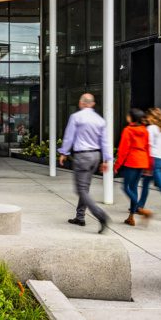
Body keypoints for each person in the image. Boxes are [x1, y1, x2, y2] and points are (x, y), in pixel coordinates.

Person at [57, 93, 111, 233]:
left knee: (80, 189)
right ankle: (80, 217)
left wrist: (64, 152)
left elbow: (69, 137)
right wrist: (106, 160)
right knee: (85, 188)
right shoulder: (100, 120)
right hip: (95, 156)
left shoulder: (76, 117)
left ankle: (101, 215)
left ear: (81, 103)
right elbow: (105, 141)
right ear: (92, 104)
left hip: (83, 156)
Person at [114, 108, 153, 226]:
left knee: (126, 188)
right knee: (134, 187)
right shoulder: (145, 130)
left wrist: (117, 165)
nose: (127, 117)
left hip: (131, 161)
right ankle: (131, 218)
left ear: (132, 118)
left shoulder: (128, 130)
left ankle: (140, 209)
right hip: (142, 161)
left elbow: (123, 150)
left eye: (128, 115)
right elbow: (148, 148)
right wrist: (149, 165)